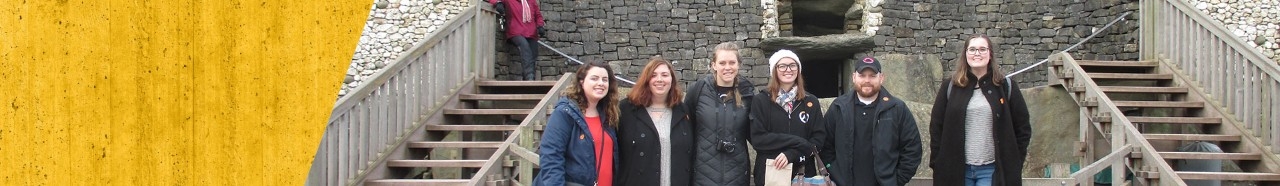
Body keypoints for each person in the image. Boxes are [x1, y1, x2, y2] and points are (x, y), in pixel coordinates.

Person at [928, 35, 1032, 186]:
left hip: (992, 170)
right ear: (965, 54)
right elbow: (936, 127)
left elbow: (1023, 129)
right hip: (956, 171)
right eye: (972, 49)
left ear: (990, 54)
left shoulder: (1006, 87)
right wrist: (937, 164)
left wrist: (1014, 162)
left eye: (982, 49)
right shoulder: (949, 87)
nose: (977, 53)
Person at [821, 57, 921, 186]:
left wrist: (895, 181)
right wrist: (835, 174)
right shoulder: (838, 107)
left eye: (872, 76)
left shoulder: (897, 108)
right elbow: (825, 145)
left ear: (881, 77)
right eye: (862, 75)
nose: (867, 80)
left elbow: (912, 149)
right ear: (853, 77)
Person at [535, 61, 621, 186]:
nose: (600, 83)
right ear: (582, 82)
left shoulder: (609, 115)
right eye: (594, 78)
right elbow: (551, 156)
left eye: (605, 79)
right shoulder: (565, 113)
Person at [749, 49, 826, 186]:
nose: (788, 70)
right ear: (774, 70)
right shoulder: (760, 100)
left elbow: (818, 139)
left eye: (792, 65)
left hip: (802, 174)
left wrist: (792, 154)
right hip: (770, 172)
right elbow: (758, 139)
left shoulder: (811, 102)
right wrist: (798, 141)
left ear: (798, 69)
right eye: (782, 66)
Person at [616, 56, 695, 186]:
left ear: (672, 80)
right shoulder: (626, 110)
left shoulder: (684, 111)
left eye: (664, 75)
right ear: (646, 80)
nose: (659, 80)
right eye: (654, 75)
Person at [687, 42, 754, 186]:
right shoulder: (698, 91)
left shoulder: (747, 94)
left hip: (737, 174)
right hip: (702, 175)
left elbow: (756, 133)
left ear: (739, 65)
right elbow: (686, 129)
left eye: (732, 62)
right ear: (714, 65)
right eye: (722, 63)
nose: (727, 67)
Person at [489, 0, 546, 80]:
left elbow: (538, 15)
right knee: (524, 47)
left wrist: (540, 25)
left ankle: (527, 79)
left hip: (531, 33)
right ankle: (530, 77)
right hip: (515, 31)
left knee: (533, 53)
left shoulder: (531, 1)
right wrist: (498, 3)